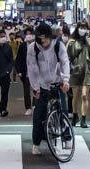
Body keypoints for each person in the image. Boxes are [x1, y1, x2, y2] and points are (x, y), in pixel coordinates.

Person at [26, 23, 70, 156]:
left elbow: (65, 62)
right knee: (39, 114)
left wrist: (66, 79)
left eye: (44, 38)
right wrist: (35, 87)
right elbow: (32, 68)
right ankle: (36, 143)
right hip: (42, 84)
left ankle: (67, 137)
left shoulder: (58, 45)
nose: (42, 41)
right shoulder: (32, 48)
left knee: (63, 110)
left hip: (57, 81)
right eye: (39, 38)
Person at [67, 24, 90, 128]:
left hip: (87, 70)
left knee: (84, 95)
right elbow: (68, 56)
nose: (83, 30)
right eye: (81, 28)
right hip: (75, 70)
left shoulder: (88, 40)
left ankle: (84, 118)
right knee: (75, 96)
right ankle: (75, 115)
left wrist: (88, 40)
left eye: (85, 28)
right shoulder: (72, 41)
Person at [14, 29, 32, 115]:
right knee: (26, 90)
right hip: (26, 72)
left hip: (36, 72)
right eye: (27, 34)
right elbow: (18, 60)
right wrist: (19, 71)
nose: (28, 36)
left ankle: (35, 104)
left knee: (37, 89)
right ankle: (28, 107)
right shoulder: (23, 46)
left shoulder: (38, 45)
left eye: (30, 34)